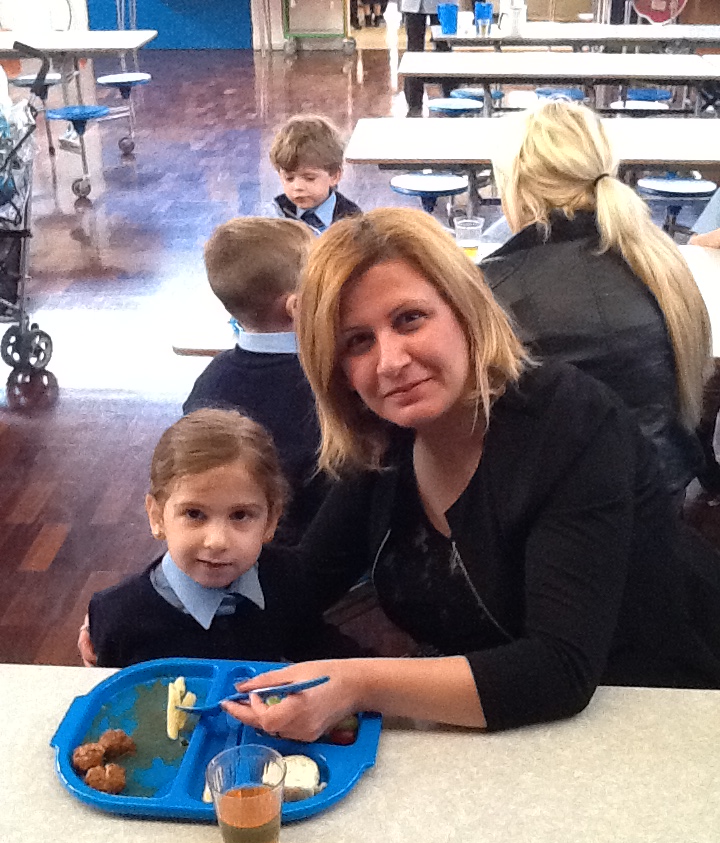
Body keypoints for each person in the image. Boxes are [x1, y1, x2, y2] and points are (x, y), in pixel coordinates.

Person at [222, 208, 720, 742]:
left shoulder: (571, 420)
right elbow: (303, 582)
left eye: (409, 319)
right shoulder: (387, 437)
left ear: (465, 309)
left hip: (662, 712)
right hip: (510, 730)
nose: (390, 361)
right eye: (358, 342)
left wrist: (355, 683)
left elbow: (559, 670)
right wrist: (184, 578)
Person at [480, 99, 712, 500]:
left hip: (559, 515)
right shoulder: (659, 261)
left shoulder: (493, 291)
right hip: (661, 498)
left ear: (515, 187)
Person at [79, 409, 358, 668]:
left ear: (271, 520)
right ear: (157, 516)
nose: (217, 541)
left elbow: (317, 646)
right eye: (194, 514)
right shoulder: (118, 616)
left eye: (240, 515)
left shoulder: (287, 578)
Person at [183, 217, 328, 545]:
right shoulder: (326, 379)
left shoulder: (209, 380)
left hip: (234, 543)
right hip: (324, 547)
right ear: (297, 306)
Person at [269, 115, 361, 234]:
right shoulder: (273, 216)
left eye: (309, 178)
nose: (297, 187)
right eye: (289, 178)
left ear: (334, 176)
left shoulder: (352, 222)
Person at [400, 0, 451, 117]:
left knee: (444, 48)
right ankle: (414, 104)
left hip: (444, 4)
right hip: (413, 5)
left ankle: (450, 96)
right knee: (414, 52)